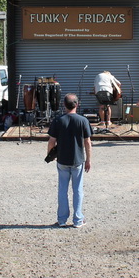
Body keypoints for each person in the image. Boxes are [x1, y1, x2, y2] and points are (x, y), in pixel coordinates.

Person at [47, 93, 92, 228]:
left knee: (62, 189)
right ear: (77, 104)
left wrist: (50, 155)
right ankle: (78, 219)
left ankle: (62, 219)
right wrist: (88, 159)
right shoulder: (83, 121)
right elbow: (87, 142)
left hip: (62, 159)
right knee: (77, 190)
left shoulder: (58, 120)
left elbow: (51, 141)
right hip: (78, 159)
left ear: (64, 105)